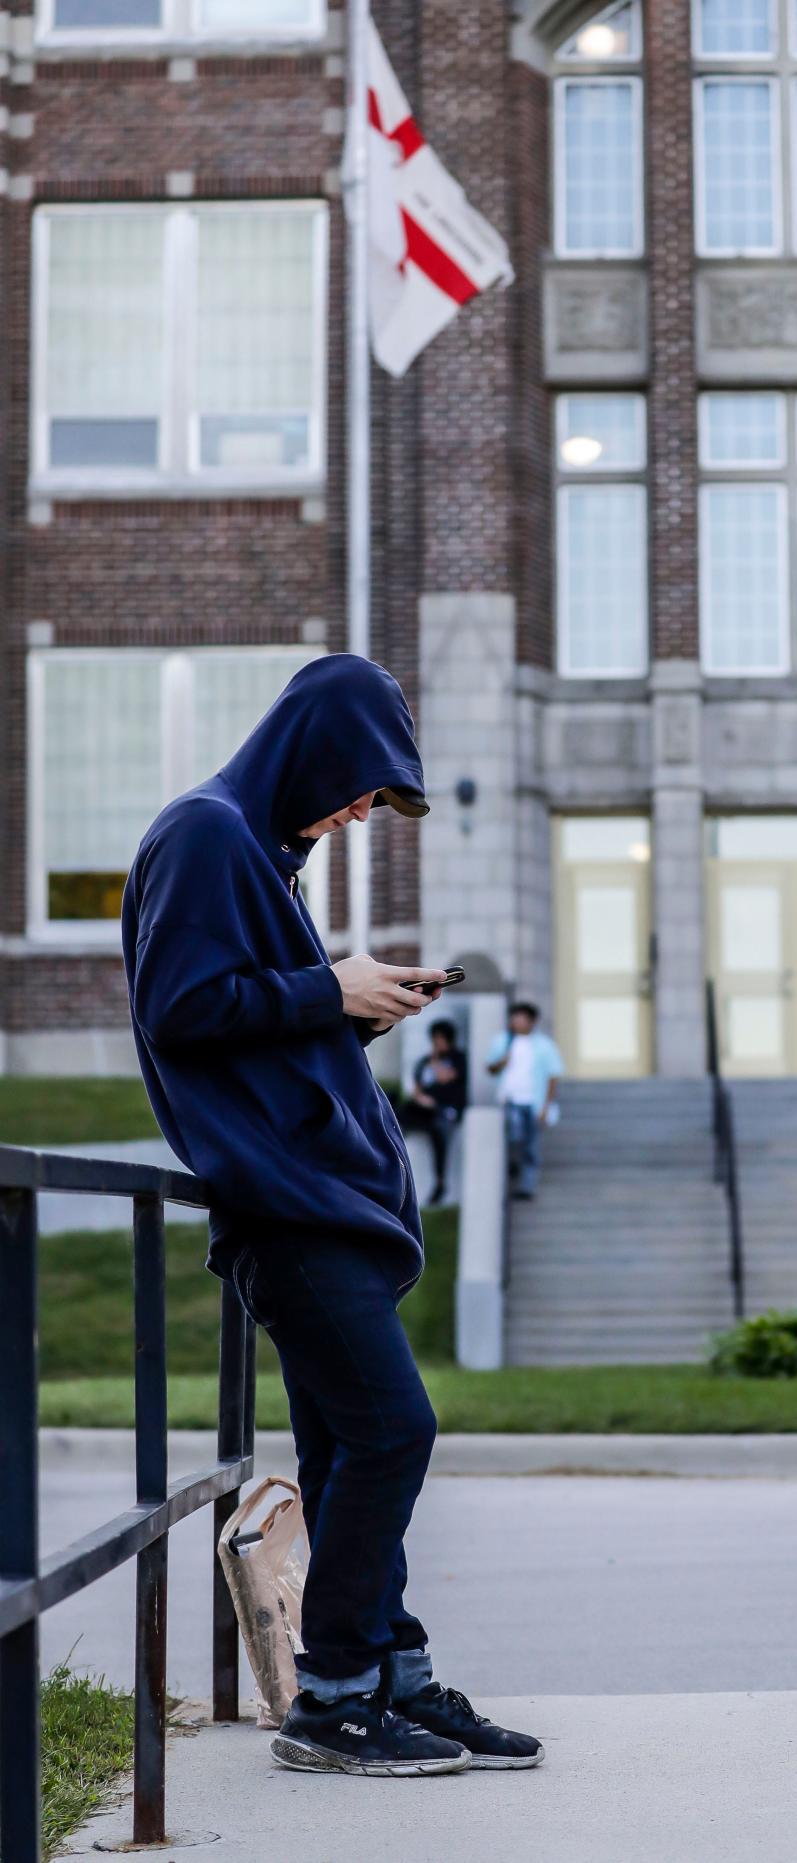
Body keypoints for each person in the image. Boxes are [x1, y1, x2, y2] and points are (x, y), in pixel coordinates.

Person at [121, 655, 542, 1779]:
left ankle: (393, 1674)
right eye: (360, 787)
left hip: (321, 1203)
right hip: (286, 1211)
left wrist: (351, 1007)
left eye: (379, 800)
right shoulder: (205, 835)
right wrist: (331, 990)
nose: (361, 812)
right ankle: (336, 1695)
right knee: (393, 1430)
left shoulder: (260, 857)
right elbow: (180, 1009)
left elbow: (251, 1025)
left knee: (349, 1448)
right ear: (309, 747)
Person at [486, 1002, 563, 1200]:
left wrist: (547, 1105)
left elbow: (553, 1076)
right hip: (510, 1099)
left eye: (521, 1018)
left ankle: (527, 1185)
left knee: (531, 1146)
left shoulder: (544, 1045)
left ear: (531, 1021)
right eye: (514, 1018)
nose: (516, 1022)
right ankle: (514, 1164)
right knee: (514, 1134)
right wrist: (502, 1062)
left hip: (533, 1102)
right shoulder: (503, 1041)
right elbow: (490, 1068)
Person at [398, 1017, 467, 1205]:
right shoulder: (424, 1061)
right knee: (398, 1114)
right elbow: (418, 1087)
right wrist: (420, 1098)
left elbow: (445, 1078)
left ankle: (440, 1181)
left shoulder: (457, 1058)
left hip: (446, 1108)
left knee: (439, 1131)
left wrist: (435, 1060)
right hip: (425, 1108)